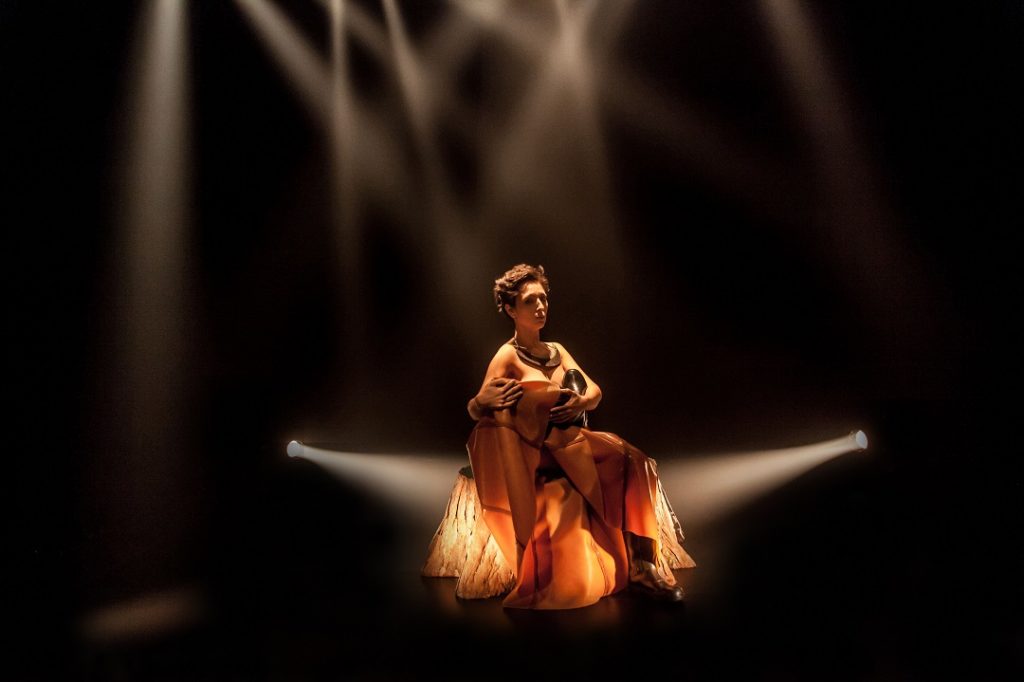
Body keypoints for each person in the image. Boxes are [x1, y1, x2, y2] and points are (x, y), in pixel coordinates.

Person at [466, 263, 686, 609]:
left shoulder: (556, 349)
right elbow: (476, 408)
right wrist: (481, 401)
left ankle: (643, 566)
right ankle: (622, 566)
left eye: (543, 298)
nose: (540, 306)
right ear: (511, 310)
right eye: (529, 301)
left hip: (573, 440)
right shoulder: (507, 355)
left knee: (635, 460)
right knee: (613, 461)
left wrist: (580, 402)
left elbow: (594, 391)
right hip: (540, 450)